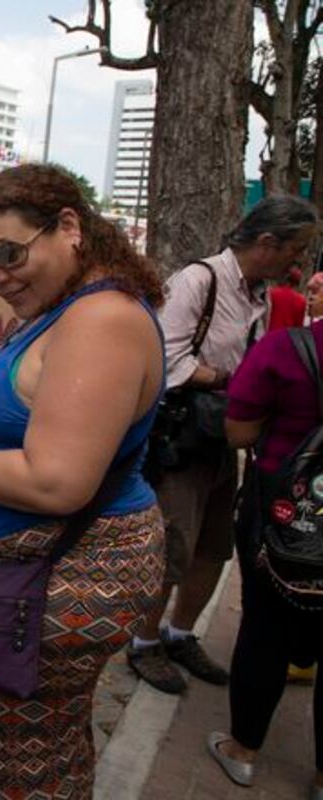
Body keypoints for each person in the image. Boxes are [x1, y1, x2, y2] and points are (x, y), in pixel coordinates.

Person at [0, 164, 166, 796]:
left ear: (69, 228)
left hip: (58, 573)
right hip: (33, 573)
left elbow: (56, 480)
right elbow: (48, 412)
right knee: (32, 743)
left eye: (10, 254)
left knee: (13, 762)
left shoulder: (100, 319)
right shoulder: (72, 308)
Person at [128, 195, 319, 695]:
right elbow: (167, 362)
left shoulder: (262, 295)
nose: (297, 263)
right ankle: (144, 642)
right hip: (183, 439)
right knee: (173, 543)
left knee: (214, 546)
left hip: (222, 438)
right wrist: (236, 381)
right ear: (266, 242)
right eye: (294, 250)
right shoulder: (199, 280)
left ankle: (180, 632)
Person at [205, 281, 322, 798]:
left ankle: (244, 751)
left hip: (281, 511)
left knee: (264, 629)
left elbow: (239, 433)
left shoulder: (286, 350)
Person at [268, 266, 307, 331]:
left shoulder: (272, 293)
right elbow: (299, 326)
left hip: (270, 335)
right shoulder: (301, 300)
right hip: (287, 338)